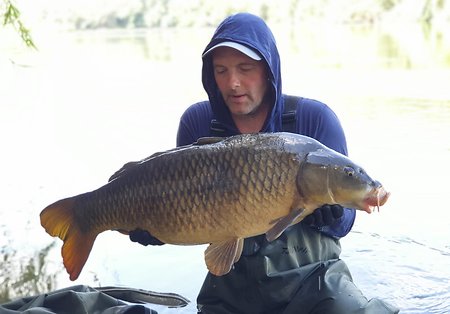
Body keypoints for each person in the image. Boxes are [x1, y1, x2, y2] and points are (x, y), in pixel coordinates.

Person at [130, 13, 399, 314]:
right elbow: (188, 214)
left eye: (245, 69)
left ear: (269, 70)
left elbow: (345, 225)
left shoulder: (314, 119)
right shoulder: (198, 122)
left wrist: (332, 216)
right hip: (232, 289)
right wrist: (154, 225)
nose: (232, 83)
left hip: (316, 284)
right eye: (221, 71)